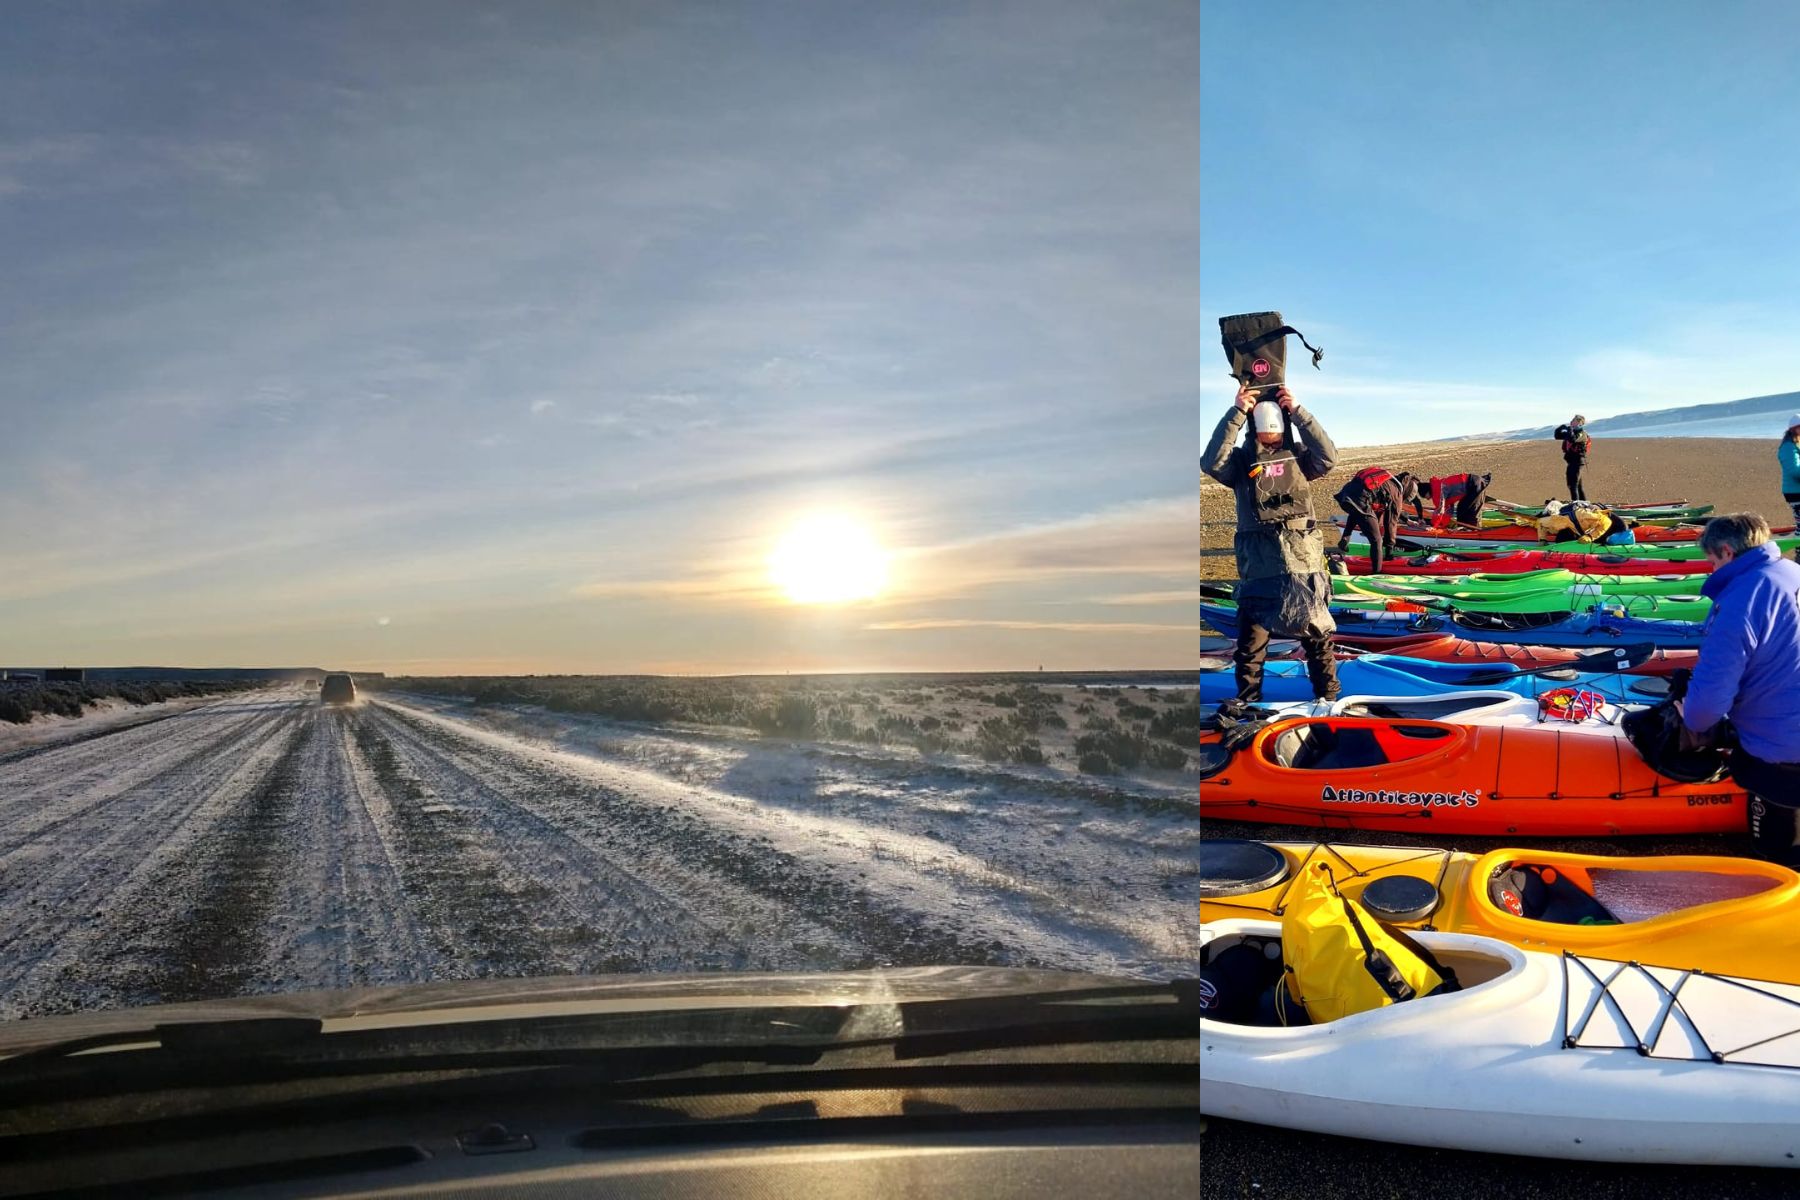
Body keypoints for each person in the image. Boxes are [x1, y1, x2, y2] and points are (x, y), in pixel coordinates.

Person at [1202, 383, 1340, 703]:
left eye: (1276, 433)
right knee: (1251, 650)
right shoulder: (1239, 463)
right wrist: (1236, 412)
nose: (1271, 438)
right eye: (1266, 433)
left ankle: (1330, 702)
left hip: (1304, 567)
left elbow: (1329, 457)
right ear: (1255, 429)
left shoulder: (1301, 458)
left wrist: (1299, 412)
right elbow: (1211, 461)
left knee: (1319, 642)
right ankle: (1249, 705)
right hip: (1261, 572)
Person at [1677, 513, 1800, 865]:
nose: (1711, 569)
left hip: (1783, 753)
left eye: (1712, 561)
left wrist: (1691, 716)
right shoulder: (1793, 573)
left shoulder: (1741, 601)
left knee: (1776, 853)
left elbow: (1708, 704)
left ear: (1727, 552)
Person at [1332, 467, 1422, 574]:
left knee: (1357, 511)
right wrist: (1389, 552)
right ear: (1406, 492)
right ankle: (1377, 572)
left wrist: (1406, 520)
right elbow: (1391, 524)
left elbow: (1389, 508)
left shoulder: (1389, 481)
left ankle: (1345, 540)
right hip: (1360, 499)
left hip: (1346, 493)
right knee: (1377, 540)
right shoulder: (1397, 493)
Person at [1426, 472, 1492, 528]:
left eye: (1426, 496)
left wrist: (1434, 526)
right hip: (1475, 482)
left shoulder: (1437, 492)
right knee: (1462, 511)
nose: (1427, 499)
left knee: (1469, 512)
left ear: (1427, 491)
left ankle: (1473, 532)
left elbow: (1440, 511)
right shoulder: (1438, 485)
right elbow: (1448, 510)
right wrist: (1443, 524)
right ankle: (1468, 529)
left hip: (1474, 485)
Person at [1553, 415, 1591, 501]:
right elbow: (1557, 436)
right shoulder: (1571, 431)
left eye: (1575, 421)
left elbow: (1572, 439)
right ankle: (1584, 504)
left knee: (1573, 484)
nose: (1572, 422)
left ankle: (1576, 506)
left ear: (1580, 423)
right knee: (1577, 485)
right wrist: (1560, 428)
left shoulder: (1582, 434)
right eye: (1573, 420)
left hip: (1578, 462)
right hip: (1571, 462)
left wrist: (1569, 430)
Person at [1781, 414, 1800, 530]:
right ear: (1794, 429)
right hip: (1795, 493)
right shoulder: (1788, 447)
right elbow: (1795, 471)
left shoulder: (1796, 443)